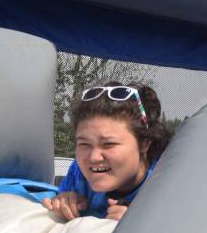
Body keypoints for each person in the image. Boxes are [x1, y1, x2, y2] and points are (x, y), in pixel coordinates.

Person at [43, 81, 170, 221]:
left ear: (144, 144)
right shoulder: (79, 173)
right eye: (84, 144)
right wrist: (64, 201)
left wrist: (141, 227)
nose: (94, 157)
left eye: (108, 144)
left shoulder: (166, 186)